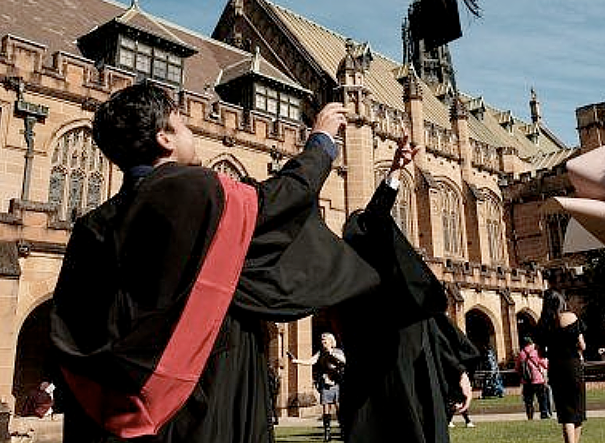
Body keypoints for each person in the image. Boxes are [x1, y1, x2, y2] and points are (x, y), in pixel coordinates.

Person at [50, 82, 380, 443]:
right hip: (209, 390)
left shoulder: (90, 228)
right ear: (164, 138)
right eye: (184, 125)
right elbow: (280, 200)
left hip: (117, 413)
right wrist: (321, 142)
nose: (192, 133)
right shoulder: (194, 191)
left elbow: (71, 330)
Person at [333, 135, 480, 443]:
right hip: (386, 405)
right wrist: (395, 173)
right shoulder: (368, 298)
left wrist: (459, 373)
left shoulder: (402, 299)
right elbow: (374, 222)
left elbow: (437, 332)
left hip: (398, 405)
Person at [537, 289, 586, 443]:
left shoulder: (543, 323)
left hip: (556, 368)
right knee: (577, 411)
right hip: (573, 366)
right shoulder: (571, 317)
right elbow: (582, 345)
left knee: (566, 414)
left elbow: (541, 353)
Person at [290, 333, 346, 441]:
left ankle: (343, 430)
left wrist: (331, 353)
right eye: (322, 340)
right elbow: (311, 361)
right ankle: (327, 433)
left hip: (337, 382)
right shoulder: (321, 352)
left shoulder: (337, 351)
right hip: (326, 383)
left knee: (339, 407)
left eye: (325, 340)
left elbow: (344, 360)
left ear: (330, 341)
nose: (323, 342)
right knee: (326, 407)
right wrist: (297, 361)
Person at [516, 336, 551, 420]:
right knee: (542, 398)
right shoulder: (536, 352)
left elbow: (517, 368)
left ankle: (530, 415)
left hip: (526, 381)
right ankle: (544, 413)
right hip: (538, 379)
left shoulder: (521, 354)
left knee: (529, 400)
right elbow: (545, 364)